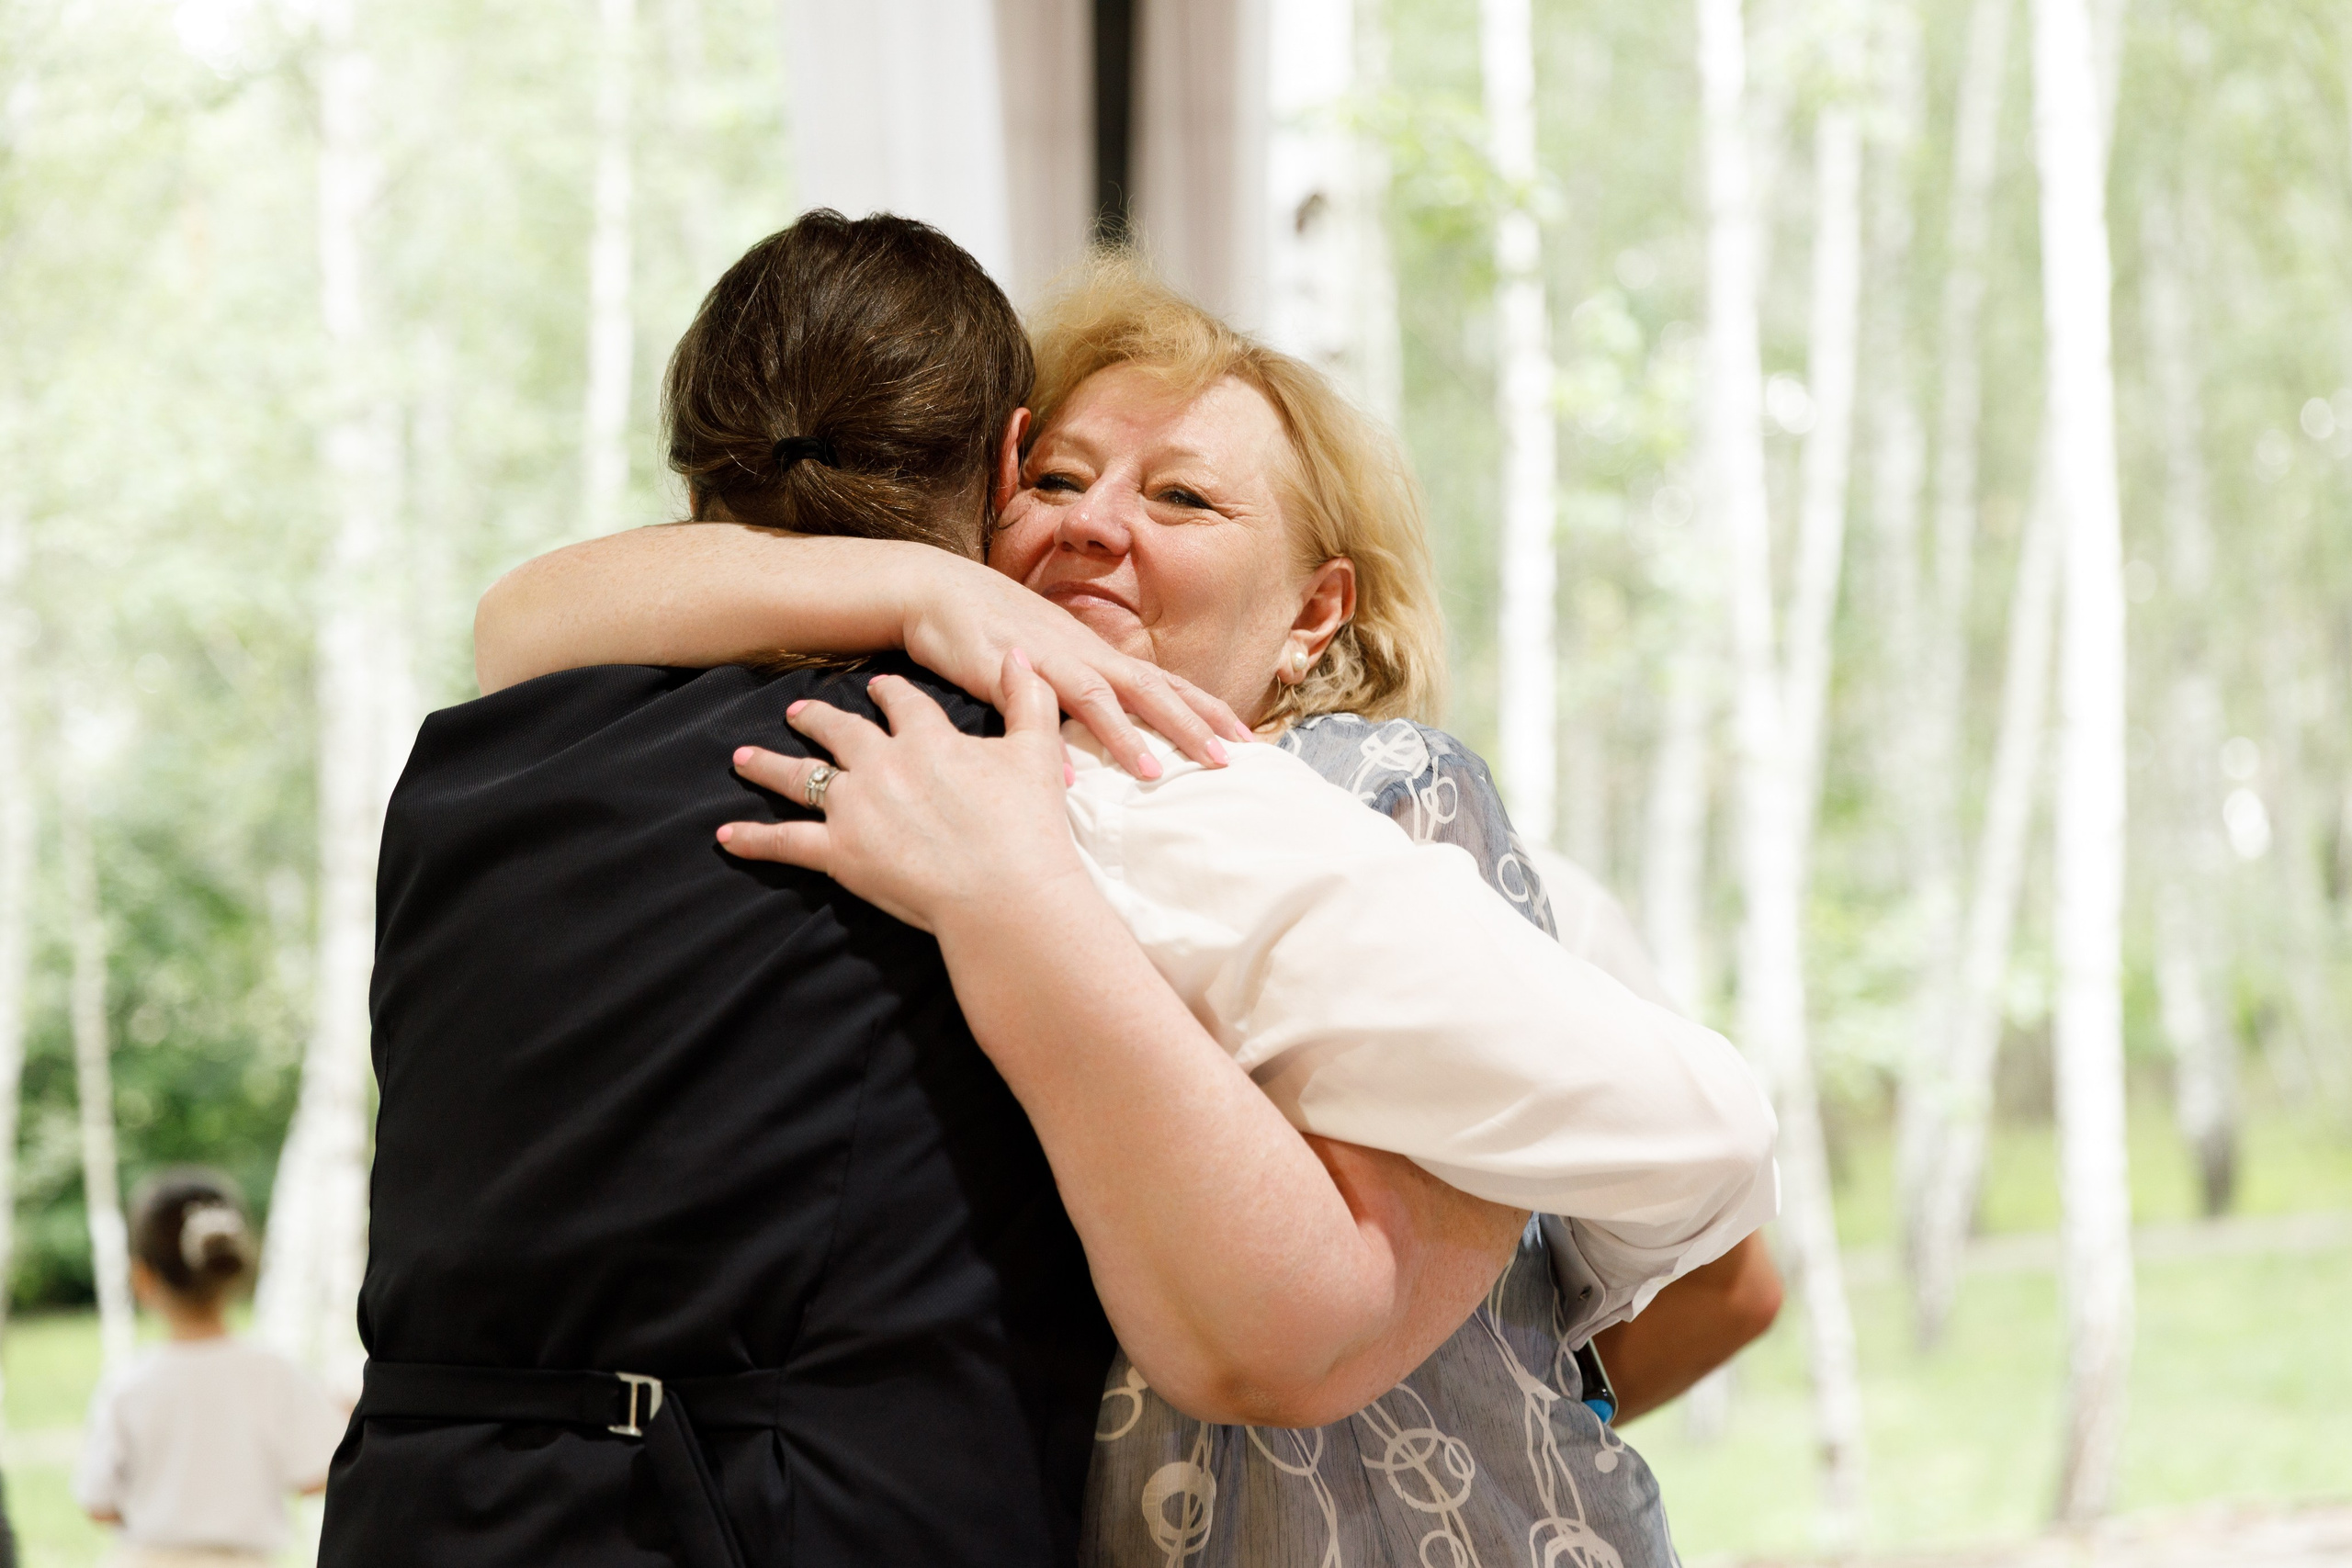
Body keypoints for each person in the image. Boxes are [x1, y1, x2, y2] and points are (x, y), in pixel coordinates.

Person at [474, 233, 1780, 1566]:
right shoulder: (958, 776)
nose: (1096, 523)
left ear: (1314, 614)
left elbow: (1697, 1227)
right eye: (1054, 479)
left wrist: (1523, 1390)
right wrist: (922, 589)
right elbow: (525, 617)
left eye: (1184, 500)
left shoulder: (1377, 788)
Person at [74, 1169, 346, 1568]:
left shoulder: (129, 1382)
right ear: (235, 1268)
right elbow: (320, 1475)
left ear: (143, 1277)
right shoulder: (276, 1373)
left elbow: (97, 1503)